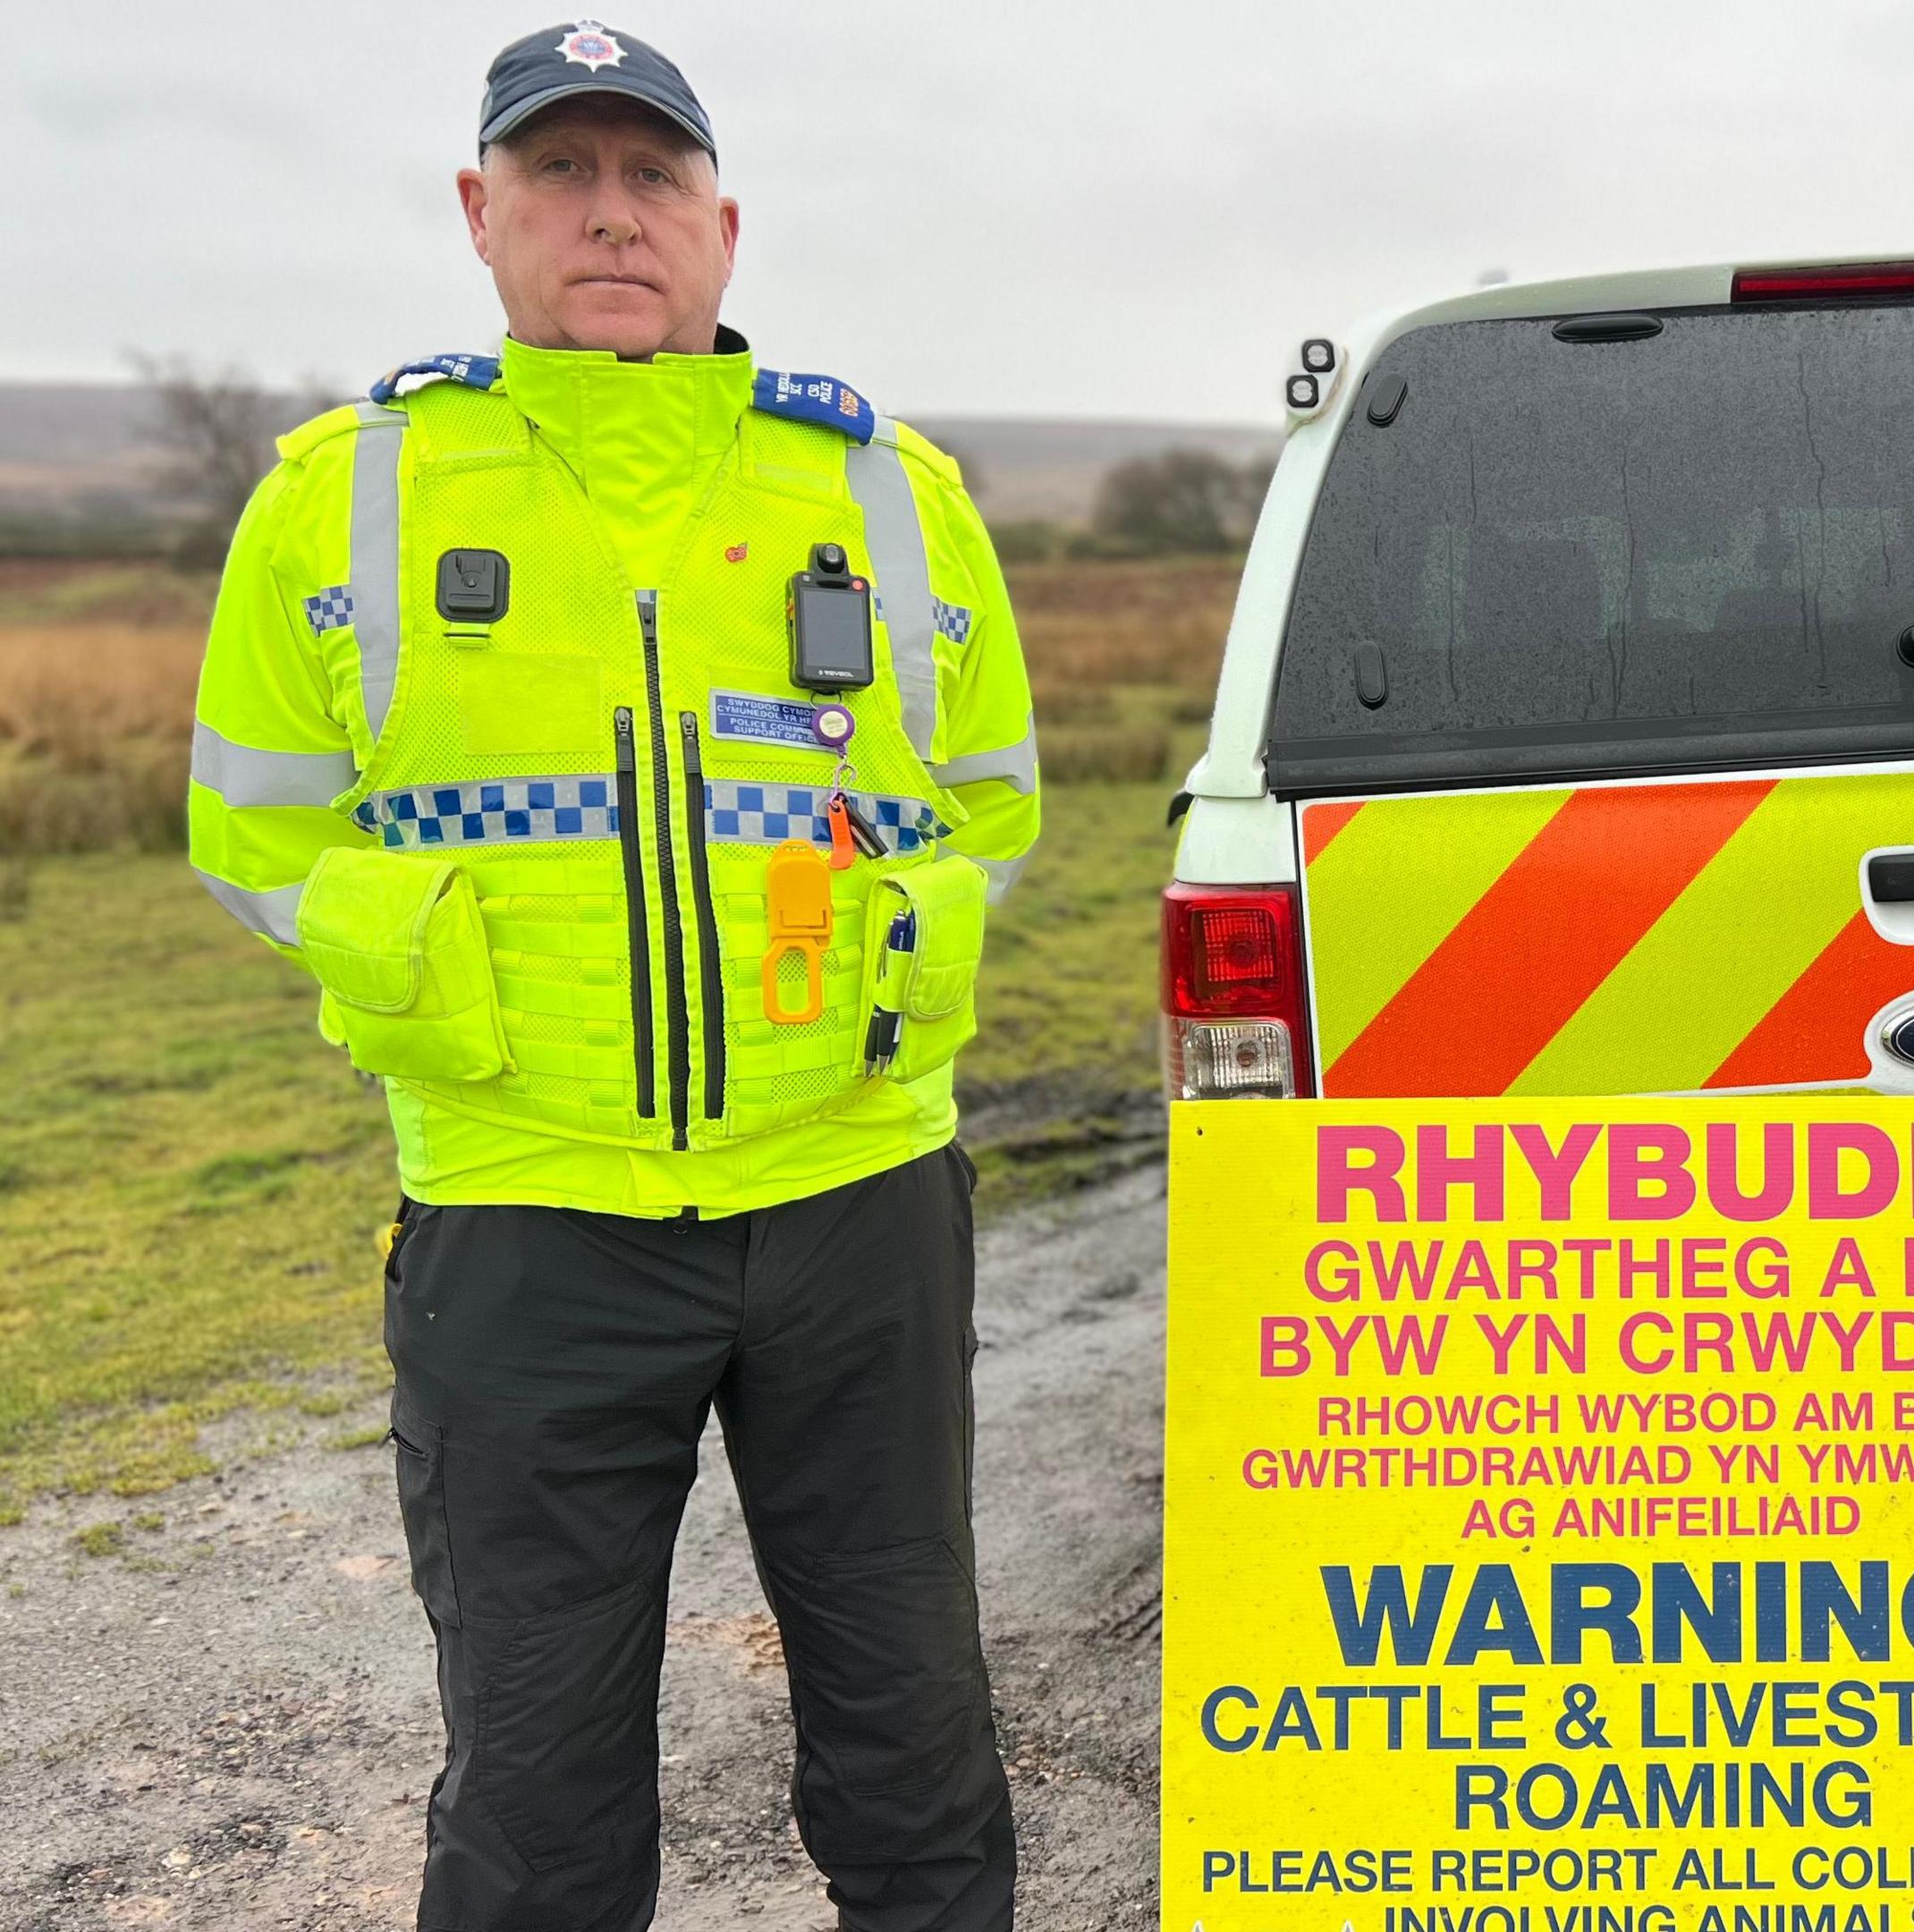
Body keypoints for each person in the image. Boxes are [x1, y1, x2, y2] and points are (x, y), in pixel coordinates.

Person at [186, 21, 1038, 1928]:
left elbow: (987, 799)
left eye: (652, 177)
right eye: (560, 174)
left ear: (724, 225)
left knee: (914, 1737)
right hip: (521, 1215)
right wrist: (438, 982)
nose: (610, 213)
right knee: (539, 1780)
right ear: (479, 216)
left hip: (856, 1195)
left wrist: (891, 948)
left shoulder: (886, 486)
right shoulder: (348, 493)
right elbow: (251, 832)